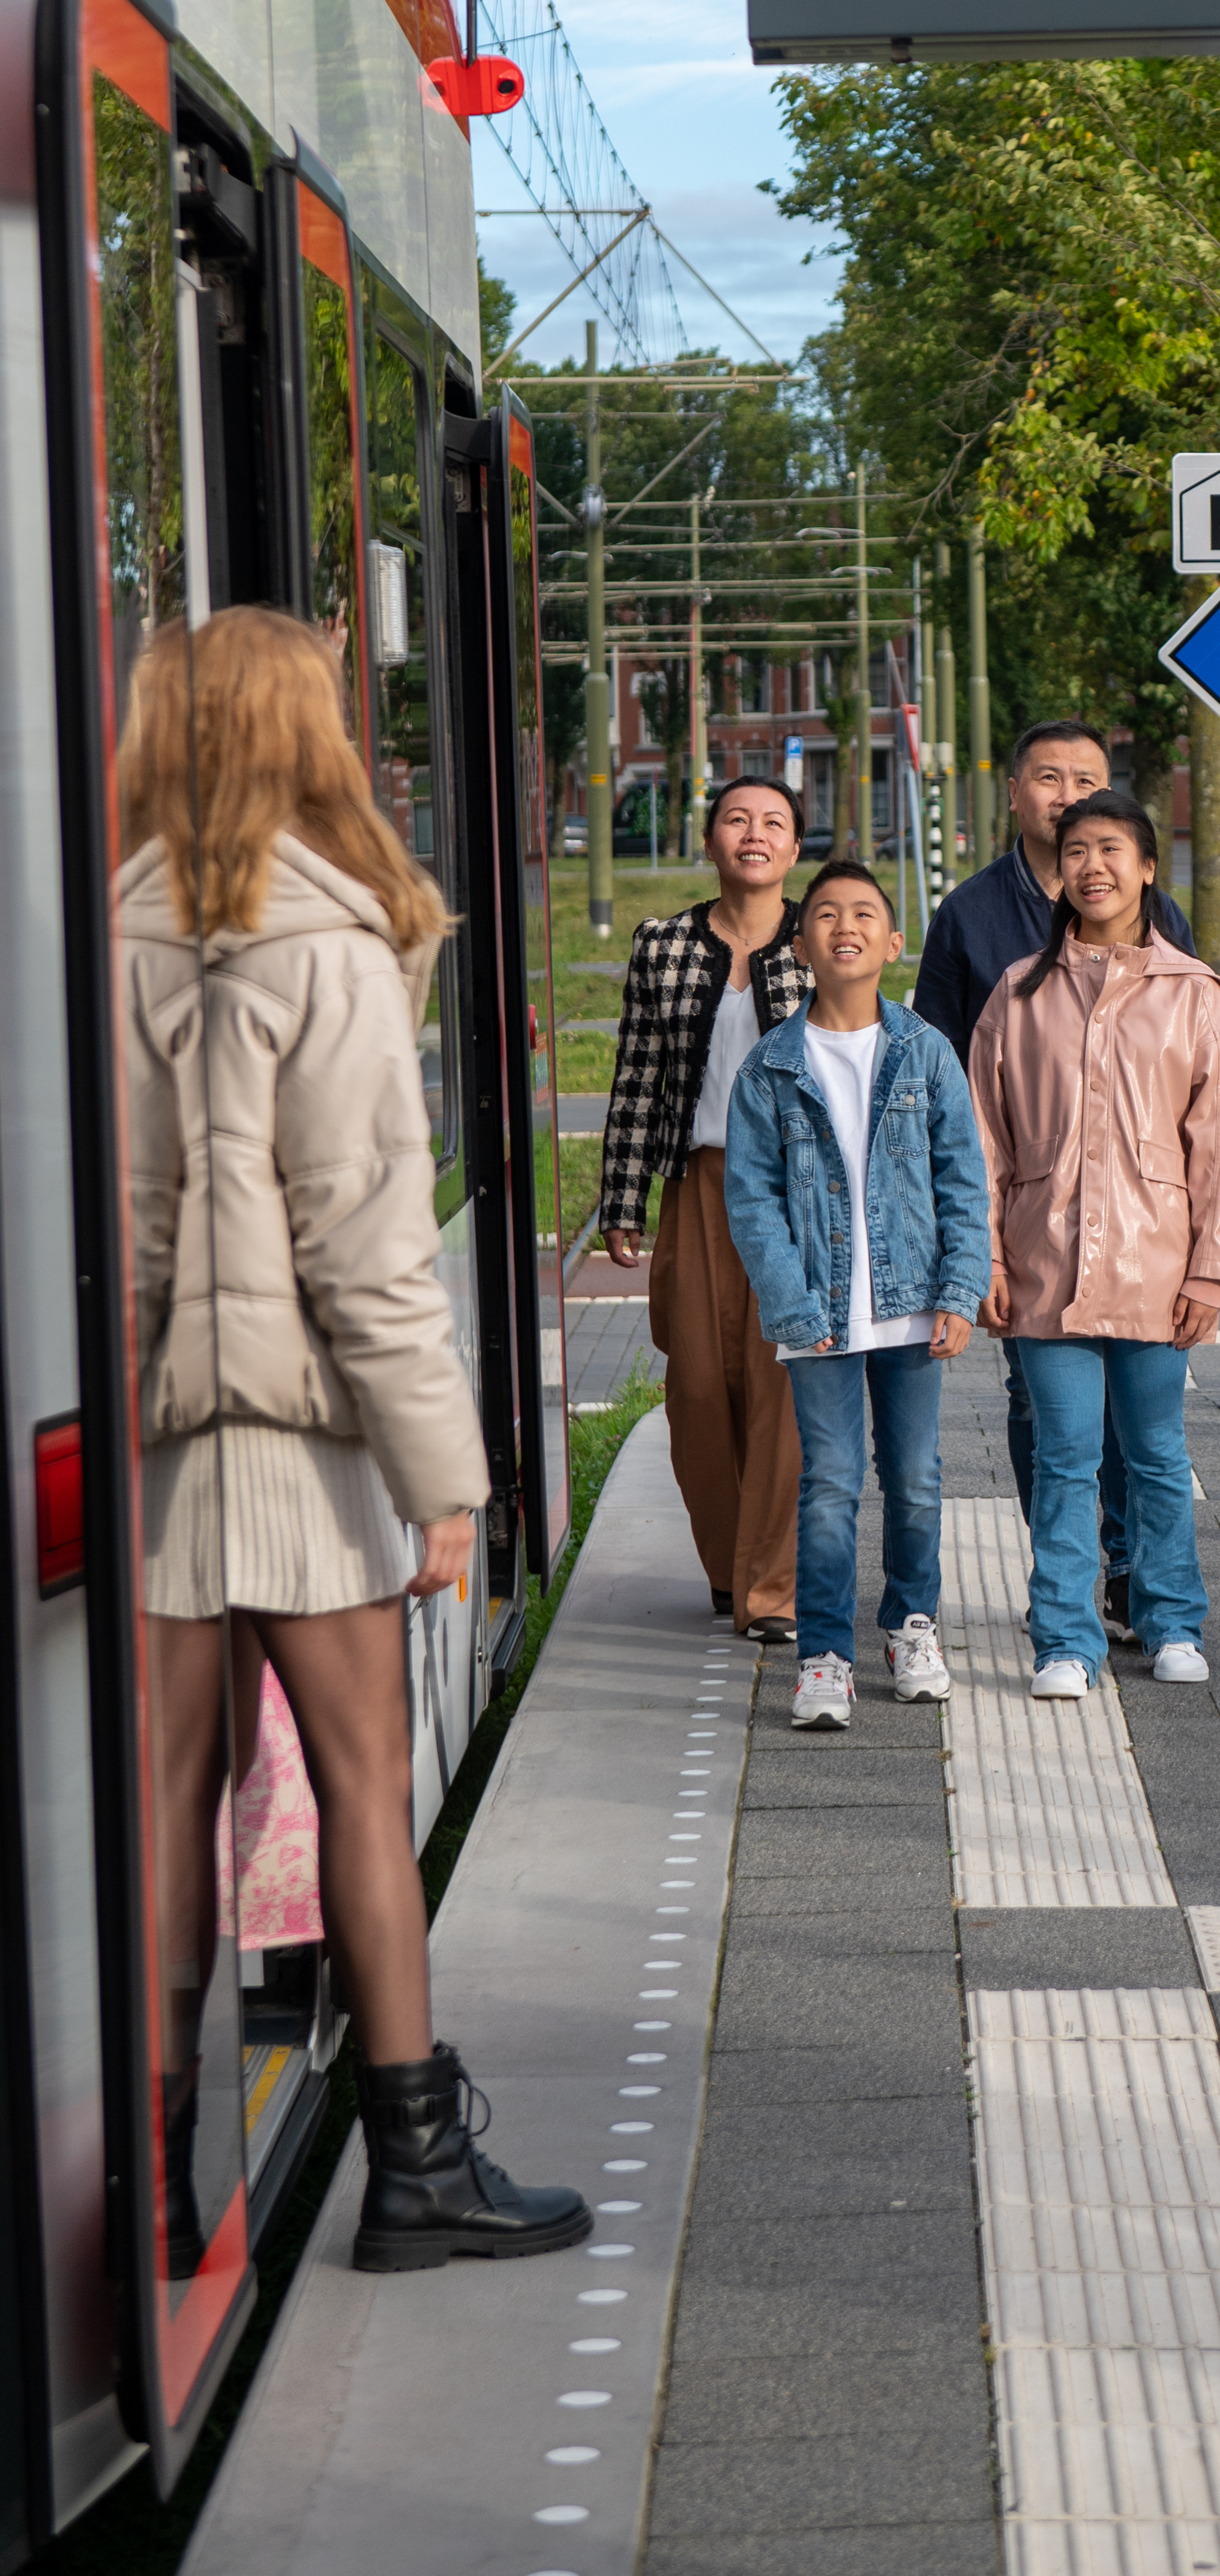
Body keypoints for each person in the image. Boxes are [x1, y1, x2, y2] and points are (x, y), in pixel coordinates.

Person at [121, 607, 587, 2273]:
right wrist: (445, 1479)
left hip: (159, 1446)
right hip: (303, 1446)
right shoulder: (324, 941)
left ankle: (153, 2189)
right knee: (361, 1793)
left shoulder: (107, 932)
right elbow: (369, 1253)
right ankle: (418, 2167)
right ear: (298, 734)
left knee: (165, 1810)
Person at [916, 720, 1197, 1642]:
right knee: (1042, 1406)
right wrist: (971, 1232)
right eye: (1048, 778)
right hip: (1033, 1216)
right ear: (1013, 793)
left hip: (1140, 1219)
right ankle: (1074, 1577)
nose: (1067, 795)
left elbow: (1197, 1079)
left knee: (1137, 1418)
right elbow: (945, 1079)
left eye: (1087, 779)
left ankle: (1129, 1570)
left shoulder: (1158, 917)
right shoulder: (968, 918)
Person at [969, 791, 1220, 1698]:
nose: (1093, 866)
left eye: (1113, 849)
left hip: (1158, 1268)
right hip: (1043, 1264)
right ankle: (1064, 1640)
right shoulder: (1018, 992)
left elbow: (1219, 1145)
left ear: (1148, 867)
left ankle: (1172, 1622)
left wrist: (1211, 1270)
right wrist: (987, 1258)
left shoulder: (1193, 994)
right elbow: (984, 1142)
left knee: (1158, 1455)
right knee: (1063, 1458)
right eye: (1077, 850)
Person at [723, 859, 990, 1733]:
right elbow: (752, 1200)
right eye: (827, 914)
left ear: (893, 941)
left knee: (915, 1479)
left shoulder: (925, 1051)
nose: (846, 926)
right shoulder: (770, 1067)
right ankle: (825, 1656)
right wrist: (793, 1306)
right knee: (831, 1483)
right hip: (818, 1314)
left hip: (912, 1306)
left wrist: (960, 1290)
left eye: (865, 913)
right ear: (799, 944)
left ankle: (912, 1627)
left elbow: (963, 1179)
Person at [599, 779, 811, 1637]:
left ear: (794, 846)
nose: (754, 834)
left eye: (773, 823)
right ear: (711, 838)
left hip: (797, 1197)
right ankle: (728, 1568)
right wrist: (622, 1197)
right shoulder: (662, 945)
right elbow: (636, 1075)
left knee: (781, 1392)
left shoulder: (822, 937)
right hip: (699, 1187)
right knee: (695, 1389)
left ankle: (771, 1587)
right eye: (737, 819)